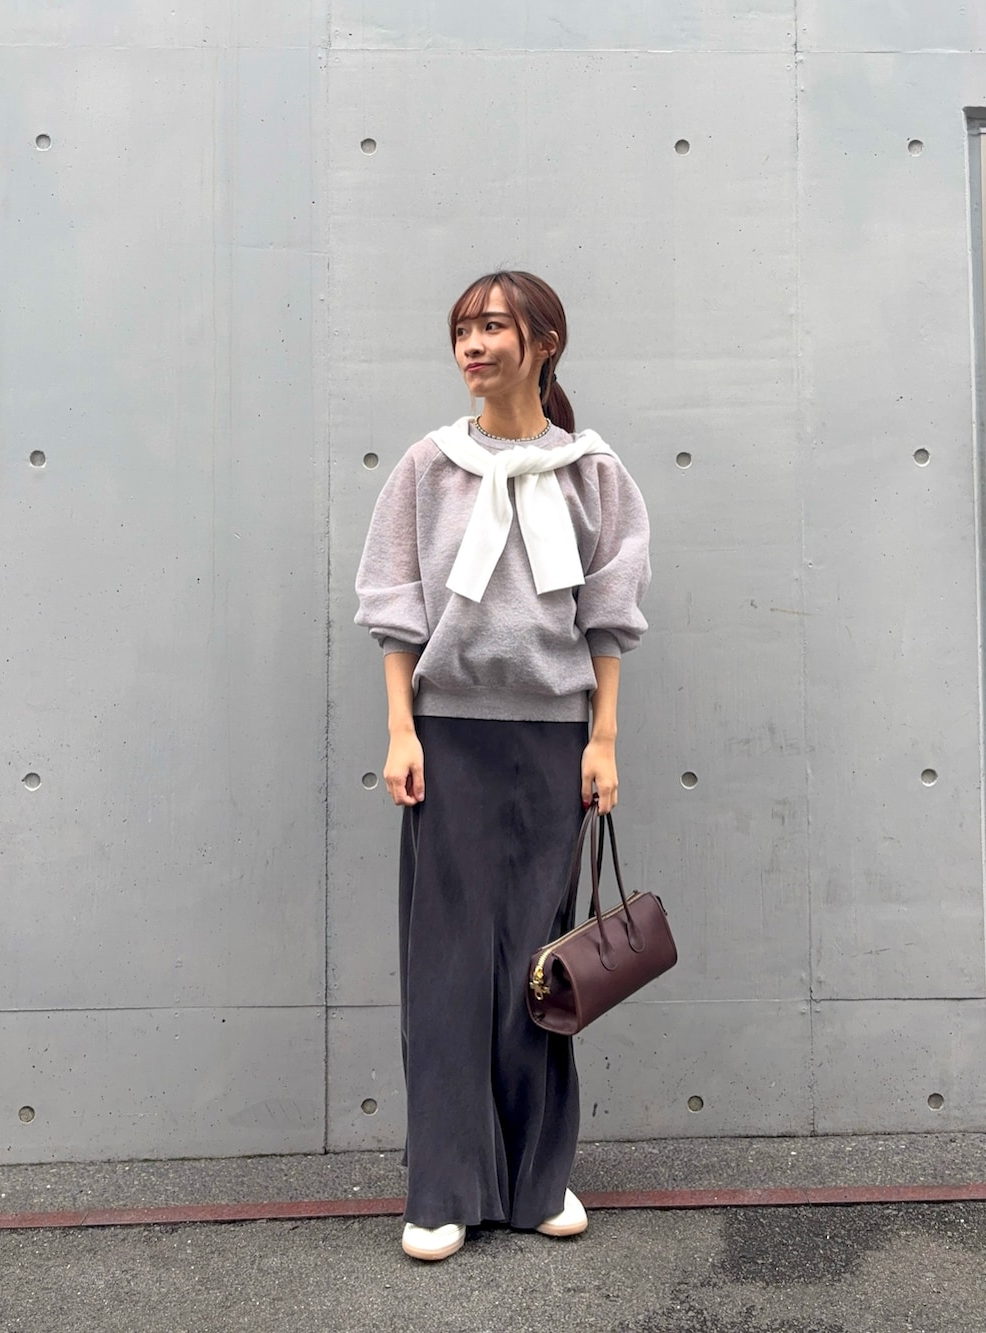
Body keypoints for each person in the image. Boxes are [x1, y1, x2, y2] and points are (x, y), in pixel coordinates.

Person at [355, 270, 650, 1261]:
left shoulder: (592, 472)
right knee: (447, 964)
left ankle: (537, 1176)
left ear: (544, 341)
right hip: (447, 735)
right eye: (462, 331)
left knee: (539, 964)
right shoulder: (427, 467)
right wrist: (401, 730)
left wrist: (602, 741)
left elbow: (609, 617)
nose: (472, 346)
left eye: (492, 327)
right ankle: (443, 1186)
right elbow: (394, 608)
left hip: (554, 741)